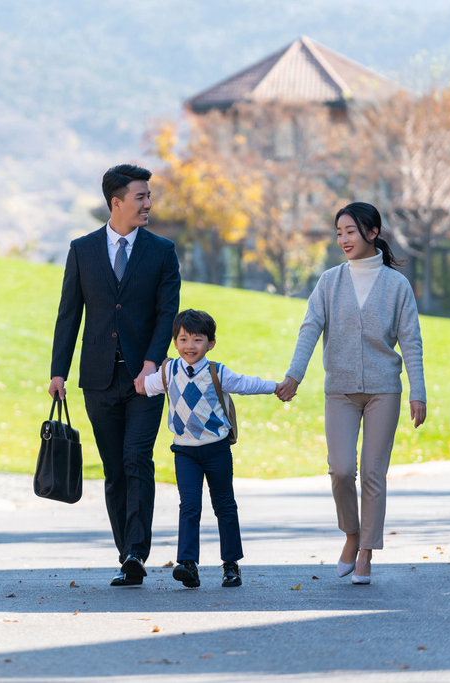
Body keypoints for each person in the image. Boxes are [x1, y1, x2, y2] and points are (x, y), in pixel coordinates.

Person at [276, 202, 426, 585]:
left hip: (383, 390)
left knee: (374, 473)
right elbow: (309, 327)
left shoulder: (396, 286)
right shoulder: (329, 281)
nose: (343, 239)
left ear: (372, 232)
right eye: (339, 232)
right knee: (341, 470)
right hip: (339, 390)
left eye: (350, 231)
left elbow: (411, 341)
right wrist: (295, 374)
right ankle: (351, 533)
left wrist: (417, 391)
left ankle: (365, 553)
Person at [49, 164, 181, 587]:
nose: (148, 203)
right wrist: (58, 372)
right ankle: (126, 551)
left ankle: (136, 553)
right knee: (114, 468)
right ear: (116, 203)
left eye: (148, 196)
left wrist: (151, 362)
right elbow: (69, 313)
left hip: (146, 380)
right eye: (140, 197)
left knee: (137, 458)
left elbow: (166, 313)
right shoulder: (82, 249)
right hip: (98, 378)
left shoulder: (162, 251)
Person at [141, 309, 291, 588]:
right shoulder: (168, 372)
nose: (190, 346)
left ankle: (231, 565)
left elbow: (247, 384)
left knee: (224, 505)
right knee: (189, 506)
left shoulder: (216, 372)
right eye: (183, 339)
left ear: (211, 343)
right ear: (175, 342)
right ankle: (188, 564)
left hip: (216, 449)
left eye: (197, 340)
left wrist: (276, 387)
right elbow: (142, 385)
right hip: (184, 452)